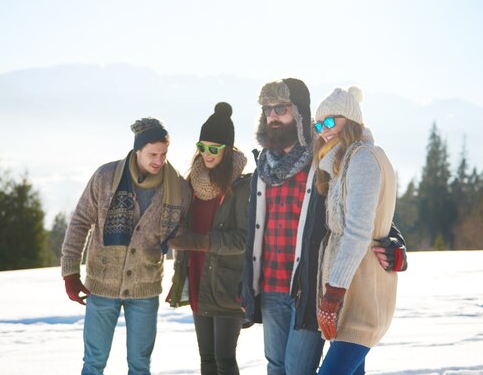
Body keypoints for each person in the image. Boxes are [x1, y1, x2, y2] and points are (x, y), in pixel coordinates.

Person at [240, 79, 407, 375]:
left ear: (299, 115)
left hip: (309, 290)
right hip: (270, 288)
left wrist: (394, 244)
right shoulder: (261, 170)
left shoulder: (325, 163)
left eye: (281, 108)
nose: (272, 116)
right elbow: (251, 234)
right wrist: (245, 285)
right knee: (275, 368)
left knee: (299, 370)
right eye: (267, 110)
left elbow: (364, 215)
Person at [61, 117, 192, 375]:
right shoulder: (106, 176)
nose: (159, 161)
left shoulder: (178, 189)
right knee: (93, 362)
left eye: (164, 154)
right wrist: (70, 273)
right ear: (137, 150)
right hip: (101, 285)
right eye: (152, 154)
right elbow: (79, 223)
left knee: (140, 365)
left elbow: (182, 240)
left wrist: (180, 282)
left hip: (145, 288)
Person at [313, 86, 398, 374]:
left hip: (361, 294)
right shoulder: (343, 163)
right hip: (352, 294)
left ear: (350, 120)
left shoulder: (362, 159)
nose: (323, 130)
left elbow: (359, 232)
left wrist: (333, 292)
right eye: (318, 124)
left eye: (329, 122)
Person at [167, 102, 251, 375]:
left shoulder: (241, 186)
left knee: (225, 360)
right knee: (206, 360)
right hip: (198, 280)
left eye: (213, 148)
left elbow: (243, 240)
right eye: (202, 147)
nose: (206, 154)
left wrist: (198, 242)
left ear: (227, 149)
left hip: (228, 286)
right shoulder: (193, 182)